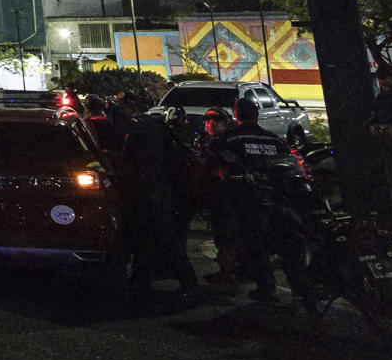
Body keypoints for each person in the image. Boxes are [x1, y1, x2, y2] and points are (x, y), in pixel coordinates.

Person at [205, 96, 292, 299]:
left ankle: (264, 286)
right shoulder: (273, 139)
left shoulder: (231, 138)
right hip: (275, 198)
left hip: (242, 199)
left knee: (252, 242)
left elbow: (211, 157)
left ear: (236, 115)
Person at [116, 94, 199, 296]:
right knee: (145, 237)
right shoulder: (150, 127)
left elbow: (140, 161)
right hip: (152, 189)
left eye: (122, 106)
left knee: (163, 237)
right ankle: (140, 278)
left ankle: (188, 283)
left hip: (151, 190)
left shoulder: (143, 129)